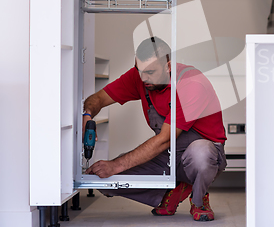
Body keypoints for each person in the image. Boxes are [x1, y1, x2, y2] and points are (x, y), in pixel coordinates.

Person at [82, 36, 227, 222]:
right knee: (104, 181)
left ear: (168, 66)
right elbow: (99, 98)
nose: (143, 78)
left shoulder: (191, 83)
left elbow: (164, 138)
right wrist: (87, 115)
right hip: (169, 152)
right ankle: (174, 188)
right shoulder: (141, 76)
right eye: (139, 70)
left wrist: (116, 165)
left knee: (200, 154)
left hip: (203, 153)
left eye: (149, 72)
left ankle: (199, 200)